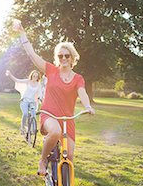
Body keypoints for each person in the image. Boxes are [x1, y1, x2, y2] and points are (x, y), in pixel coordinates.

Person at [12, 20, 95, 175]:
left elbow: (82, 92)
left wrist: (88, 106)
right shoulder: (50, 70)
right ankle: (42, 160)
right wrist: (23, 33)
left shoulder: (78, 78)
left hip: (67, 119)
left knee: (69, 157)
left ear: (72, 58)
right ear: (57, 57)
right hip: (49, 114)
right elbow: (32, 54)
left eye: (67, 55)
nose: (63, 58)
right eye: (60, 55)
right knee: (55, 132)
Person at [5, 69, 42, 135]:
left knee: (33, 116)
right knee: (25, 114)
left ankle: (33, 130)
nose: (35, 78)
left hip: (32, 102)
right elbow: (17, 80)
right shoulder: (28, 81)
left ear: (38, 77)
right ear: (31, 76)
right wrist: (10, 74)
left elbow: (39, 93)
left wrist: (40, 98)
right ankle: (22, 128)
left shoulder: (38, 85)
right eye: (34, 76)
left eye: (36, 77)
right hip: (24, 101)